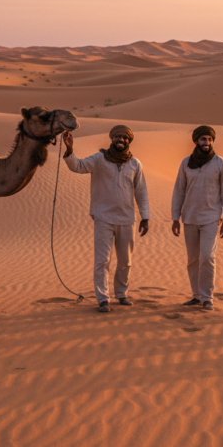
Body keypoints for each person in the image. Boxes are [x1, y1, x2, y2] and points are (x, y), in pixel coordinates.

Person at [62, 125, 150, 313]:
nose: (120, 139)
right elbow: (77, 166)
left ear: (128, 141)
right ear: (112, 138)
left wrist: (145, 216)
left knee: (125, 260)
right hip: (103, 217)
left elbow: (141, 192)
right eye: (117, 136)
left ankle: (121, 294)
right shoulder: (99, 159)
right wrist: (70, 149)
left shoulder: (135, 164)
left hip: (127, 218)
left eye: (124, 137)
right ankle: (103, 299)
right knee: (102, 260)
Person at [171, 125, 223, 311]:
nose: (207, 143)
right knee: (193, 260)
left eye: (209, 139)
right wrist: (175, 218)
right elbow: (178, 191)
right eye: (203, 139)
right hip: (189, 217)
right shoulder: (186, 163)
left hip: (211, 218)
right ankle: (196, 296)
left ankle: (207, 297)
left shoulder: (221, 163)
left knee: (207, 257)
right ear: (196, 141)